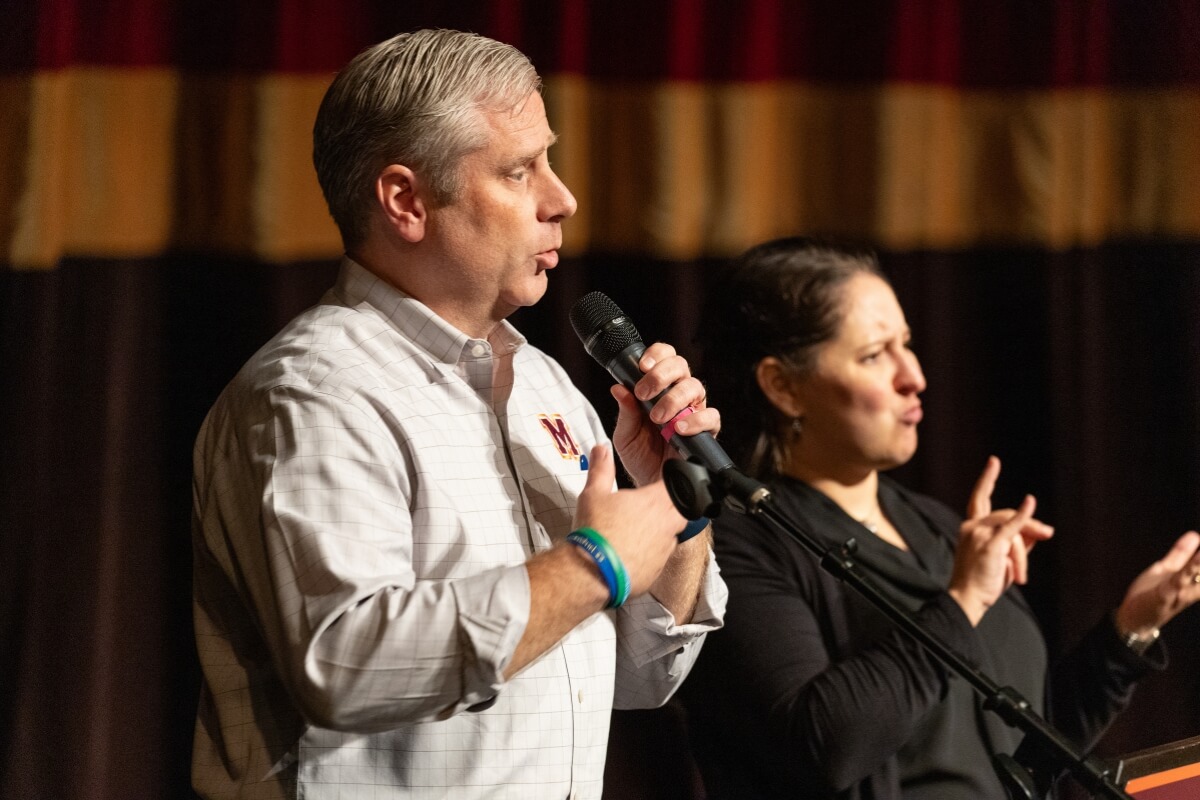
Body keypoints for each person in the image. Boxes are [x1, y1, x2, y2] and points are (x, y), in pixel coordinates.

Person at [190, 29, 726, 800]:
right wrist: (594, 562)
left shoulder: (545, 385)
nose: (561, 198)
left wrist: (670, 506)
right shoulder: (313, 393)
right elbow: (348, 664)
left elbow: (640, 677)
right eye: (520, 170)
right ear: (406, 201)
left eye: (549, 159)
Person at [678, 236, 1200, 799]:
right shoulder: (739, 544)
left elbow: (1023, 756)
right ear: (783, 386)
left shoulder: (939, 530)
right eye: (875, 355)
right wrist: (963, 601)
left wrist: (1128, 630)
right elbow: (822, 743)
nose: (915, 376)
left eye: (907, 345)